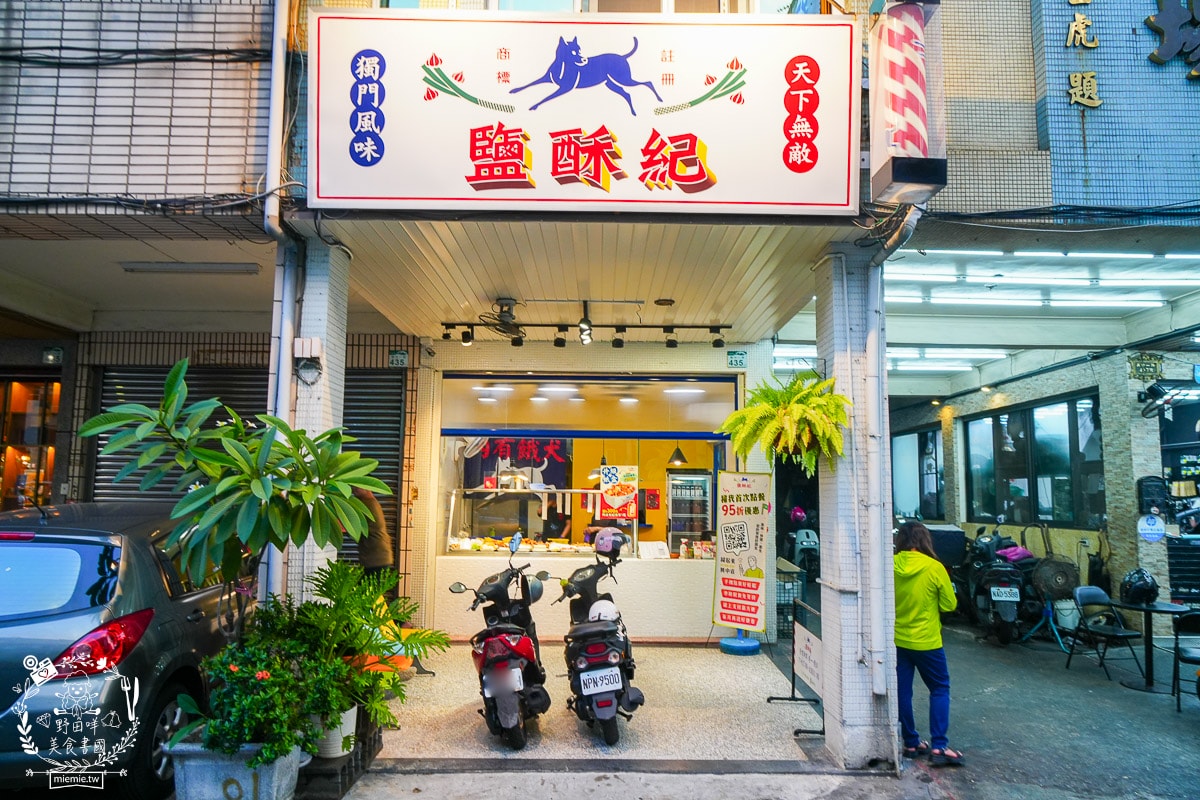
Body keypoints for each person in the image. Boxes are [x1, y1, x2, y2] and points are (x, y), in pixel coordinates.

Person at [894, 520, 963, 767]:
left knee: (902, 692)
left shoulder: (890, 565)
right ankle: (939, 747)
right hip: (928, 642)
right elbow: (949, 605)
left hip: (899, 640)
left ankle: (911, 742)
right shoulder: (935, 568)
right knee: (939, 688)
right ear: (925, 540)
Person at [353, 486, 394, 582]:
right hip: (378, 557)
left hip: (375, 558)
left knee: (368, 592)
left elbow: (349, 526)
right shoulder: (371, 502)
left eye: (357, 487)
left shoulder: (366, 505)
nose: (353, 489)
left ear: (367, 487)